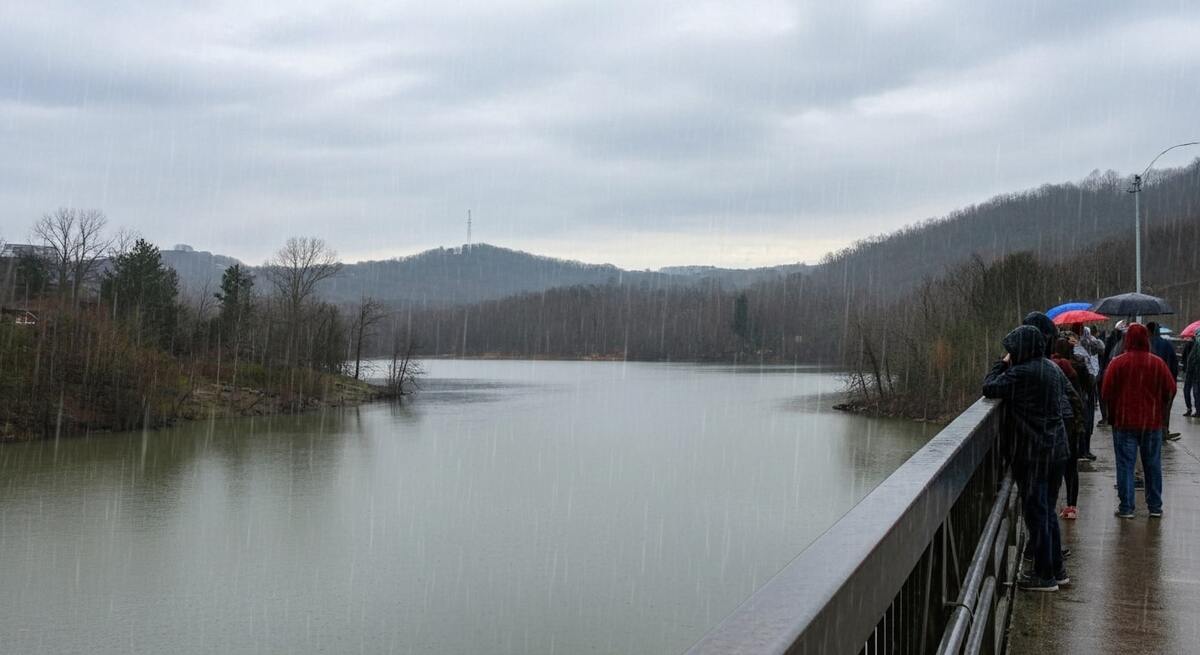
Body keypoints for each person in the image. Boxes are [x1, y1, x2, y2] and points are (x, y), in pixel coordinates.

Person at [983, 324, 1072, 591]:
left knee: (1038, 515)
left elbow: (989, 387)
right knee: (1048, 513)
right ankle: (1057, 570)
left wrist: (1001, 364)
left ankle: (1044, 577)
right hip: (1057, 451)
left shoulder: (1022, 373)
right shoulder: (1050, 368)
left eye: (1011, 350)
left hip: (1035, 454)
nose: (1009, 353)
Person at [1101, 323, 1176, 519]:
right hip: (1151, 422)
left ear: (1127, 340)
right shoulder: (1157, 363)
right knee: (1152, 464)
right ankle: (1155, 506)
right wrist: (1161, 411)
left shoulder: (1117, 363)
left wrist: (1113, 413)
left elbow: (1106, 391)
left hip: (1124, 422)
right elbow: (1171, 389)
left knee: (1125, 465)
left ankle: (1126, 507)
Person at [1052, 336, 1088, 519]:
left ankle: (1054, 503)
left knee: (1055, 463)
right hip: (1072, 420)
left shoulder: (1051, 366)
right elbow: (1087, 388)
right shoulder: (1076, 366)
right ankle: (1071, 506)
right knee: (1071, 466)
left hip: (1054, 419)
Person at [1146, 322, 1181, 440]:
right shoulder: (1167, 344)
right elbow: (1175, 366)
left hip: (1150, 383)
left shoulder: (1146, 345)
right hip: (1166, 382)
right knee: (1165, 408)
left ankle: (1151, 431)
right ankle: (1164, 431)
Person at [1184, 334, 1200, 417]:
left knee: (1192, 391)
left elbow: (1188, 359)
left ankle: (1190, 409)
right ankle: (1197, 410)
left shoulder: (1192, 344)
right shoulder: (1193, 344)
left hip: (1192, 372)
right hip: (1195, 372)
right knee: (1196, 392)